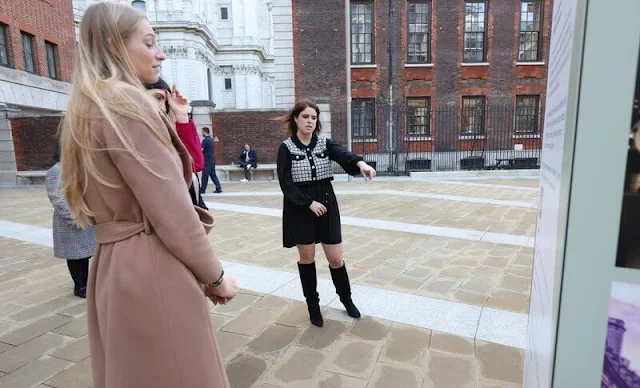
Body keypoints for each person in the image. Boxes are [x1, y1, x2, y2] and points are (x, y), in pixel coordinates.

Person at [59, 3, 237, 387]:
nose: (160, 53)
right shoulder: (129, 105)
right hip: (152, 264)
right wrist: (216, 275)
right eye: (150, 42)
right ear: (114, 46)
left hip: (114, 266)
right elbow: (171, 210)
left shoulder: (87, 106)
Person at [276, 100, 376, 327]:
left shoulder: (323, 143)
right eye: (305, 117)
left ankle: (347, 300)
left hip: (327, 203)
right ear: (296, 119)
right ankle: (313, 306)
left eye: (313, 117)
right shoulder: (286, 148)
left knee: (335, 259)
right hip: (300, 209)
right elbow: (286, 183)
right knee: (307, 258)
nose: (310, 121)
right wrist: (308, 202)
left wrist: (361, 165)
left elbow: (343, 154)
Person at [144, 78, 207, 208]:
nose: (162, 106)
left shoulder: (161, 133)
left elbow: (195, 165)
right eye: (157, 97)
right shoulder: (123, 132)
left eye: (165, 102)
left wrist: (182, 117)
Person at [46, 145, 96, 299]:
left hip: (83, 217)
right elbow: (57, 198)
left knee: (84, 254)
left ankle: (86, 283)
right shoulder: (56, 170)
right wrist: (73, 217)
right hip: (70, 221)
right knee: (74, 255)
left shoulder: (74, 168)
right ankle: (79, 286)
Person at [201, 127, 223, 193]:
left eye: (202, 132)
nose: (201, 133)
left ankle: (202, 189)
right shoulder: (211, 139)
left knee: (205, 175)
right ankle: (218, 188)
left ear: (205, 132)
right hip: (212, 160)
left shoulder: (205, 140)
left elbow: (201, 149)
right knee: (213, 175)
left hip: (207, 160)